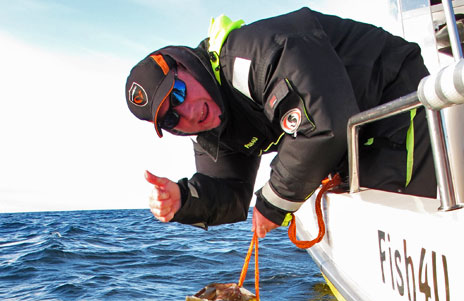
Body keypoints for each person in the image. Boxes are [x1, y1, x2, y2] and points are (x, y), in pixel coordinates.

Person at [125, 8, 436, 238]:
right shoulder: (210, 126)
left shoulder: (254, 53)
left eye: (178, 92)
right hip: (352, 138)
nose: (187, 113)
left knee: (391, 219)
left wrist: (272, 203)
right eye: (170, 118)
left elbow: (323, 122)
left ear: (186, 64)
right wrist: (184, 199)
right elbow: (231, 193)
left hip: (391, 91)